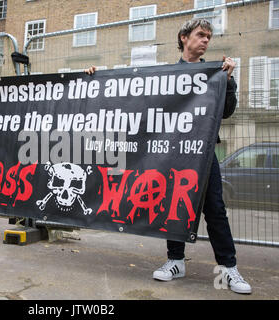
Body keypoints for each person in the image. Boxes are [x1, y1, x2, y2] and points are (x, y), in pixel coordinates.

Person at [85, 19, 251, 294]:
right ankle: (175, 261)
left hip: (203, 152)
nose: (206, 41)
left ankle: (228, 268)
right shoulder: (167, 74)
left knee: (215, 210)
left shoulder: (215, 73)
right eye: (200, 35)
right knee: (173, 205)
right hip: (170, 151)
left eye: (209, 37)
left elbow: (226, 112)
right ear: (184, 38)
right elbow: (129, 95)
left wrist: (229, 82)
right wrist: (94, 79)